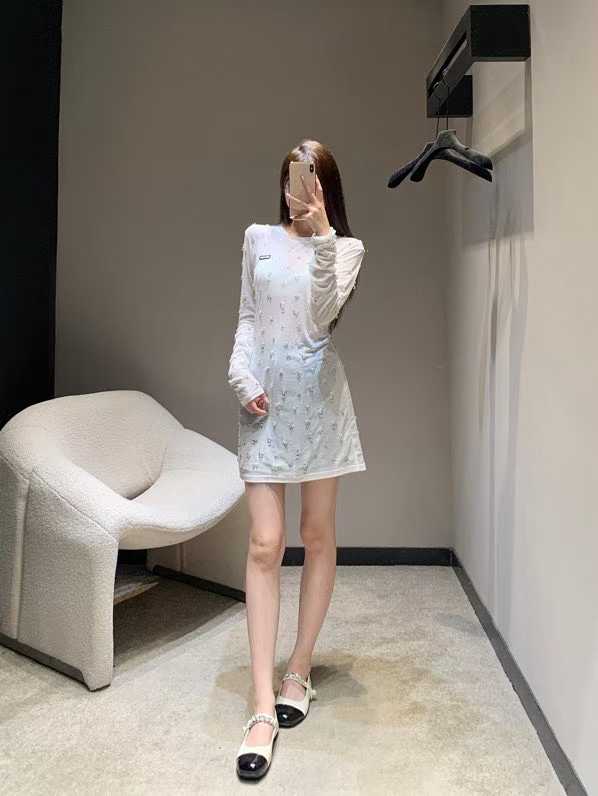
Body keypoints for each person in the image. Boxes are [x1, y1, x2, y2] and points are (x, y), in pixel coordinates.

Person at [228, 138, 367, 780]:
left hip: (318, 403)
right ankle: (261, 705)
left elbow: (320, 319)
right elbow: (248, 317)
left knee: (315, 535)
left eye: (307, 178)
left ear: (324, 186)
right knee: (264, 543)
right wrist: (239, 373)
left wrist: (322, 236)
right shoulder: (256, 237)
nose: (296, 189)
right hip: (263, 401)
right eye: (289, 177)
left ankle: (300, 668)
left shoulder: (346, 249)